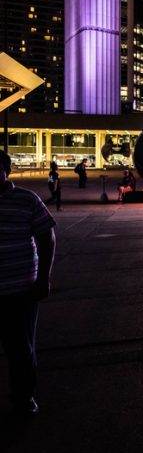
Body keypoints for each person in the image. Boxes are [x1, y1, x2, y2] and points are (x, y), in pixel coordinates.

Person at [0, 149, 56, 416]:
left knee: (21, 347)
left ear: (7, 171)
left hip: (20, 289)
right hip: (18, 286)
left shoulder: (26, 199)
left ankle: (24, 397)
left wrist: (43, 278)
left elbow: (47, 238)